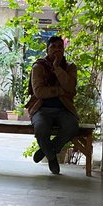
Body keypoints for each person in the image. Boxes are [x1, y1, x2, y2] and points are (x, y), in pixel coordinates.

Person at [25, 35, 79, 175]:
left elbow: (71, 87)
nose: (56, 50)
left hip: (64, 108)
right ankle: (51, 157)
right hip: (41, 109)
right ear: (47, 49)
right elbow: (39, 92)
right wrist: (62, 90)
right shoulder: (39, 67)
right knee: (41, 129)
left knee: (72, 126)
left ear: (64, 49)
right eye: (53, 47)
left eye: (59, 47)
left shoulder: (70, 67)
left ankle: (47, 151)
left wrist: (57, 68)